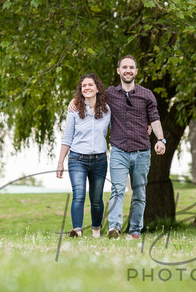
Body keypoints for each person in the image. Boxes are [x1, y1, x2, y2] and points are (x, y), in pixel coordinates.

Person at [69, 56, 165, 240]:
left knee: (139, 193)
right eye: (124, 67)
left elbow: (154, 118)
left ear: (136, 71)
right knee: (117, 190)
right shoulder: (110, 95)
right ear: (118, 71)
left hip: (142, 151)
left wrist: (161, 139)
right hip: (119, 151)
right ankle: (115, 228)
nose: (128, 70)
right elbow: (90, 97)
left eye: (131, 67)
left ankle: (135, 231)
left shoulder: (147, 95)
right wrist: (74, 101)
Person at [56, 74, 111, 238]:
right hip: (77, 159)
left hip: (99, 160)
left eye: (90, 85)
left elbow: (121, 125)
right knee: (78, 194)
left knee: (96, 198)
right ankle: (77, 230)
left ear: (97, 88)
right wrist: (60, 163)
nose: (87, 88)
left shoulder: (107, 110)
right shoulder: (74, 110)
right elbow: (67, 138)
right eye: (83, 86)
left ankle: (96, 232)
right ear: (80, 90)